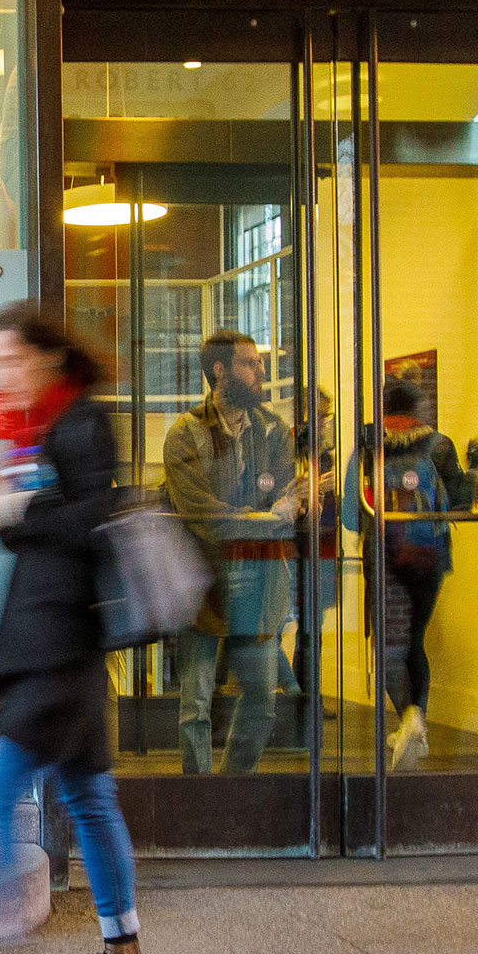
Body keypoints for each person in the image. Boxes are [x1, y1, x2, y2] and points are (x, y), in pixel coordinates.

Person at [0, 302, 152, 954]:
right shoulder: (39, 429)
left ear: (47, 356)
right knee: (89, 797)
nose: (1, 375)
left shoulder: (80, 420)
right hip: (54, 639)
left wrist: (14, 510)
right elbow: (40, 528)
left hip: (59, 645)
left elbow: (96, 516)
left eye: (11, 360)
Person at [162, 329, 298, 776]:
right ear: (219, 370)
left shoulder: (274, 429)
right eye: (249, 363)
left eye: (258, 363)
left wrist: (282, 508)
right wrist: (265, 516)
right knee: (195, 707)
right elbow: (201, 513)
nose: (260, 371)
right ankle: (199, 799)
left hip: (258, 578)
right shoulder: (186, 434)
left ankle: (231, 788)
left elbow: (285, 497)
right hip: (202, 581)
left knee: (262, 701)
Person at [348, 379, 478, 770]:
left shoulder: (369, 447)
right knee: (414, 641)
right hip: (430, 556)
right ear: (418, 406)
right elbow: (460, 503)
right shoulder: (439, 445)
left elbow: (348, 514)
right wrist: (475, 467)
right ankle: (416, 723)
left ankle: (409, 718)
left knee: (388, 645)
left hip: (384, 557)